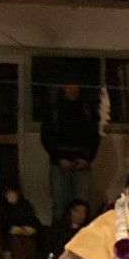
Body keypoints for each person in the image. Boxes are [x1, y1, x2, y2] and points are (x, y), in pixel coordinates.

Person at [41, 82, 100, 221]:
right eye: (68, 87)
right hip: (60, 163)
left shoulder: (87, 109)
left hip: (82, 162)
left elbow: (94, 138)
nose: (71, 91)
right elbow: (46, 137)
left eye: (74, 87)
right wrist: (58, 158)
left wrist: (86, 158)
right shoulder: (54, 110)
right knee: (60, 204)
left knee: (81, 205)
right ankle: (60, 232)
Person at [0, 181, 43, 259]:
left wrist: (29, 229)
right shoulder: (2, 208)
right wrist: (16, 230)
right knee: (15, 240)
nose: (11, 195)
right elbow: (4, 226)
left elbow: (34, 222)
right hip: (10, 237)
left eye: (13, 192)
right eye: (8, 193)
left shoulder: (25, 205)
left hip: (28, 235)